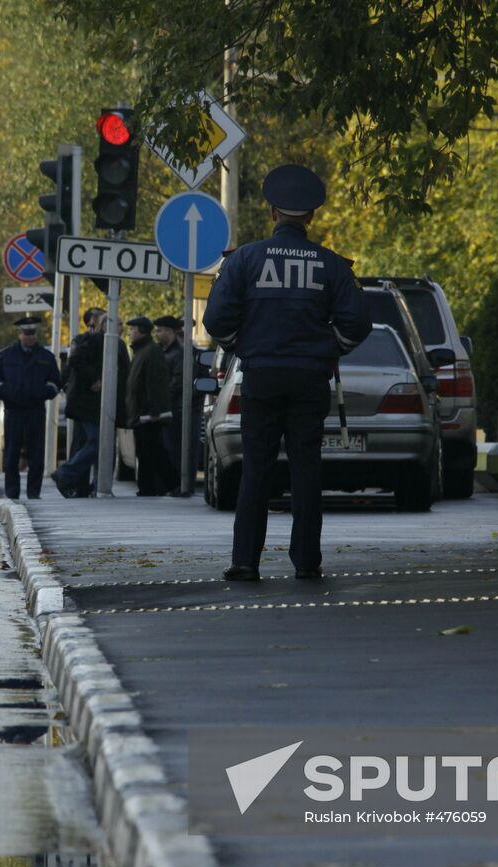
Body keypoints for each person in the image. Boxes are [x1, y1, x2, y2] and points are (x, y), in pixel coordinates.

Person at [203, 164, 370, 581]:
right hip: (311, 378)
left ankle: (245, 561)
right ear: (311, 216)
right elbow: (357, 324)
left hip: (261, 376)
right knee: (306, 467)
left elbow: (216, 319)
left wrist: (241, 348)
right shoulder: (331, 265)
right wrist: (329, 350)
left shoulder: (245, 259)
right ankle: (307, 562)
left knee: (256, 467)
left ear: (273, 213)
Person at [0, 315, 60, 499]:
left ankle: (34, 493)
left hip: (35, 410)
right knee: (11, 453)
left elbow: (55, 383)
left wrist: (40, 393)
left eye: (32, 334)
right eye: (26, 334)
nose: (30, 337)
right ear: (19, 334)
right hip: (13, 411)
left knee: (36, 454)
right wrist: (9, 393)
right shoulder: (6, 355)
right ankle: (12, 492)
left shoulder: (46, 357)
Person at [124, 316, 179, 496]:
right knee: (145, 452)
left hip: (149, 414)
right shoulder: (141, 351)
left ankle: (173, 484)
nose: (129, 333)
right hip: (141, 413)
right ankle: (147, 488)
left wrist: (155, 410)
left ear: (141, 331)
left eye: (132, 329)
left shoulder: (151, 351)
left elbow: (155, 383)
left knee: (154, 451)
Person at [52, 308, 103, 498]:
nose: (93, 329)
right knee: (95, 442)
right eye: (91, 325)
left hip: (89, 404)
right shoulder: (84, 342)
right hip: (85, 404)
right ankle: (66, 476)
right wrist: (93, 380)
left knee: (85, 444)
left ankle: (75, 484)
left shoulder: (102, 342)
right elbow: (71, 367)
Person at [153, 314, 201, 492]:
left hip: (184, 408)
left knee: (184, 449)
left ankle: (183, 485)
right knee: (170, 448)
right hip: (171, 408)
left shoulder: (188, 352)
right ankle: (174, 484)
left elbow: (181, 382)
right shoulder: (163, 350)